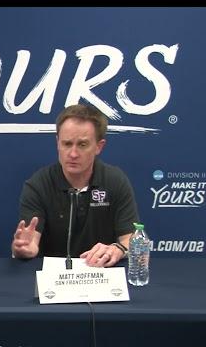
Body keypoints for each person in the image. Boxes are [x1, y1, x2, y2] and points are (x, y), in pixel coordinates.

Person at [11, 103, 139, 267]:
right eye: (67, 144)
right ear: (58, 143)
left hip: (101, 273)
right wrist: (24, 249)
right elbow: (31, 241)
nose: (72, 154)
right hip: (52, 281)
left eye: (82, 145)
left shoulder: (115, 180)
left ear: (99, 146)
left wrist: (119, 248)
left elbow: (133, 239)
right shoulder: (38, 185)